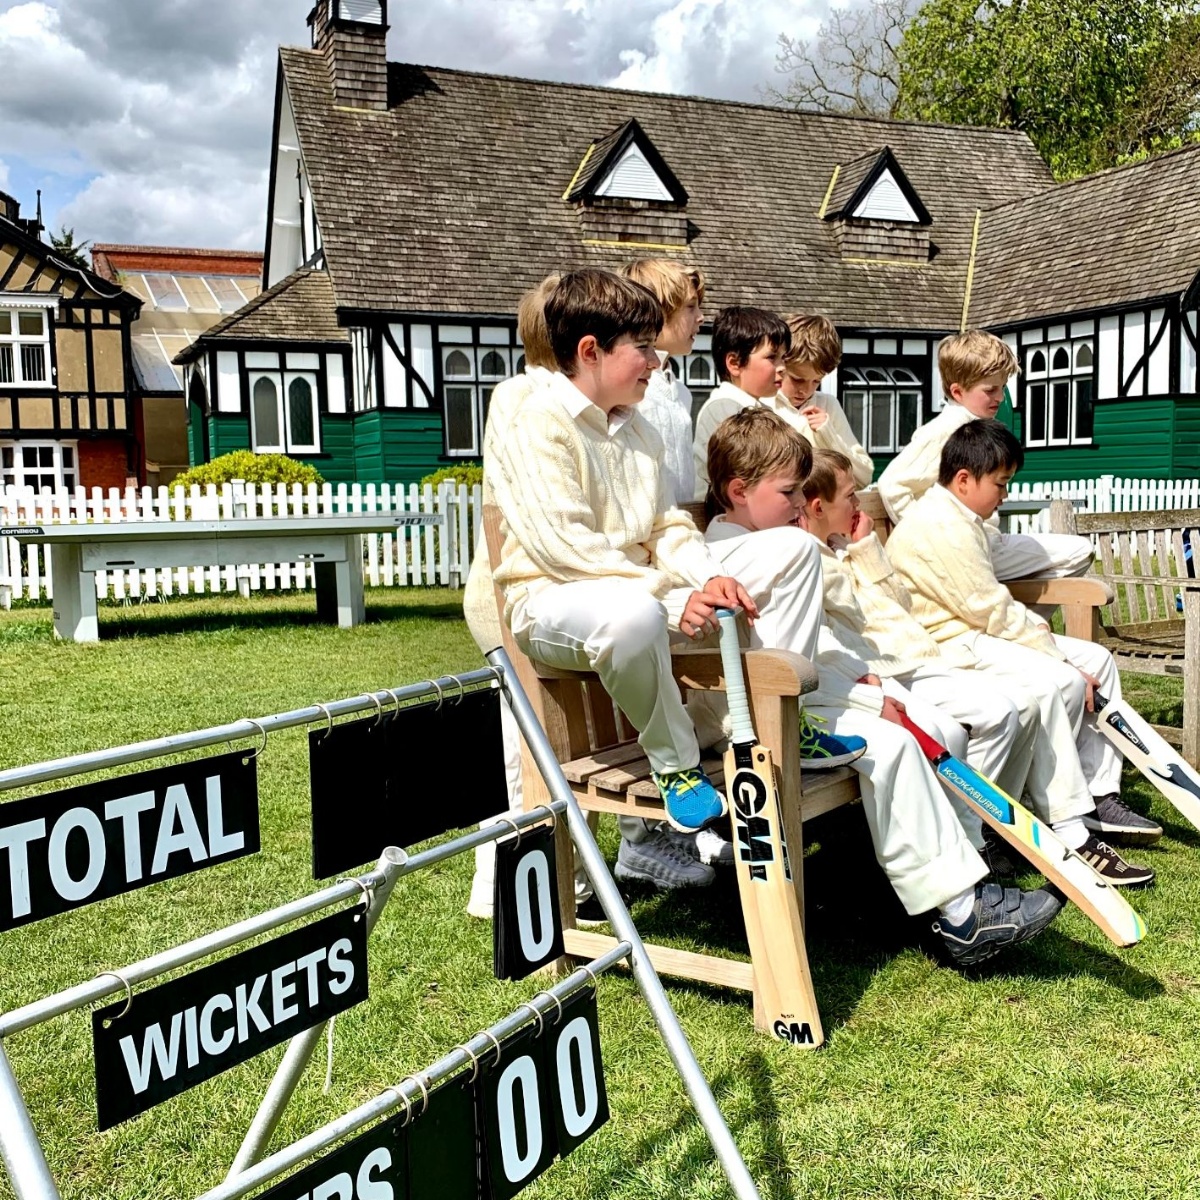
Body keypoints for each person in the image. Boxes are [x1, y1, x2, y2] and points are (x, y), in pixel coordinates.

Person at [704, 408, 1063, 962]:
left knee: (938, 727)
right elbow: (778, 671)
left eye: (802, 491)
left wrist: (871, 687)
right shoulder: (744, 553)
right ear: (738, 491)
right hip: (766, 723)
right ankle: (962, 917)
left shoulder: (763, 543)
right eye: (789, 492)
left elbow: (815, 648)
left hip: (801, 702)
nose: (800, 505)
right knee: (895, 744)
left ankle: (968, 887)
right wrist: (874, 699)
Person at [488, 268, 757, 837]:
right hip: (547, 602)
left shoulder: (638, 430)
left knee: (741, 589)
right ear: (590, 351)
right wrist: (668, 594)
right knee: (634, 615)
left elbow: (666, 526)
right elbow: (565, 549)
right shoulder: (536, 423)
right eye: (641, 348)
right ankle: (678, 767)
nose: (656, 362)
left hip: (626, 594)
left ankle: (752, 728)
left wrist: (709, 576)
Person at [886, 420, 1160, 884]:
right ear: (964, 479)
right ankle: (1066, 825)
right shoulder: (940, 526)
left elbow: (990, 604)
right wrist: (1055, 655)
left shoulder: (960, 517)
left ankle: (1093, 798)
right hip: (947, 646)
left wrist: (1052, 646)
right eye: (1001, 484)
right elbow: (988, 610)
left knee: (1096, 662)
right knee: (1063, 680)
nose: (1004, 496)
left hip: (971, 634)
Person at [463, 275, 605, 919]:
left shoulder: (567, 399)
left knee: (562, 745)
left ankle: (564, 880)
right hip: (510, 592)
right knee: (525, 750)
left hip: (557, 587)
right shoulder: (522, 396)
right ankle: (509, 890)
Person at [612, 259, 732, 888]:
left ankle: (670, 830)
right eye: (689, 309)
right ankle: (644, 837)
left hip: (673, 545)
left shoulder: (672, 388)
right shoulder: (643, 400)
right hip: (637, 568)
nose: (698, 320)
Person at [878, 329, 1092, 582]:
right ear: (957, 392)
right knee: (1080, 551)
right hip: (964, 552)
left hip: (986, 543)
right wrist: (931, 542)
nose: (1000, 397)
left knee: (1078, 551)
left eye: (1002, 388)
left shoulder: (976, 427)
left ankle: (1022, 617)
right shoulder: (944, 430)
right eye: (990, 390)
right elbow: (892, 485)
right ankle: (1024, 619)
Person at [691, 306, 790, 500]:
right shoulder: (724, 408)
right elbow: (760, 471)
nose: (782, 368)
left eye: (783, 358)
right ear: (735, 364)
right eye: (772, 357)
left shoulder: (761, 408)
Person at [778, 314, 873, 488]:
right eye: (797, 379)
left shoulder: (828, 405)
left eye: (817, 381)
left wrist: (828, 435)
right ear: (779, 363)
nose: (806, 390)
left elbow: (863, 477)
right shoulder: (761, 404)